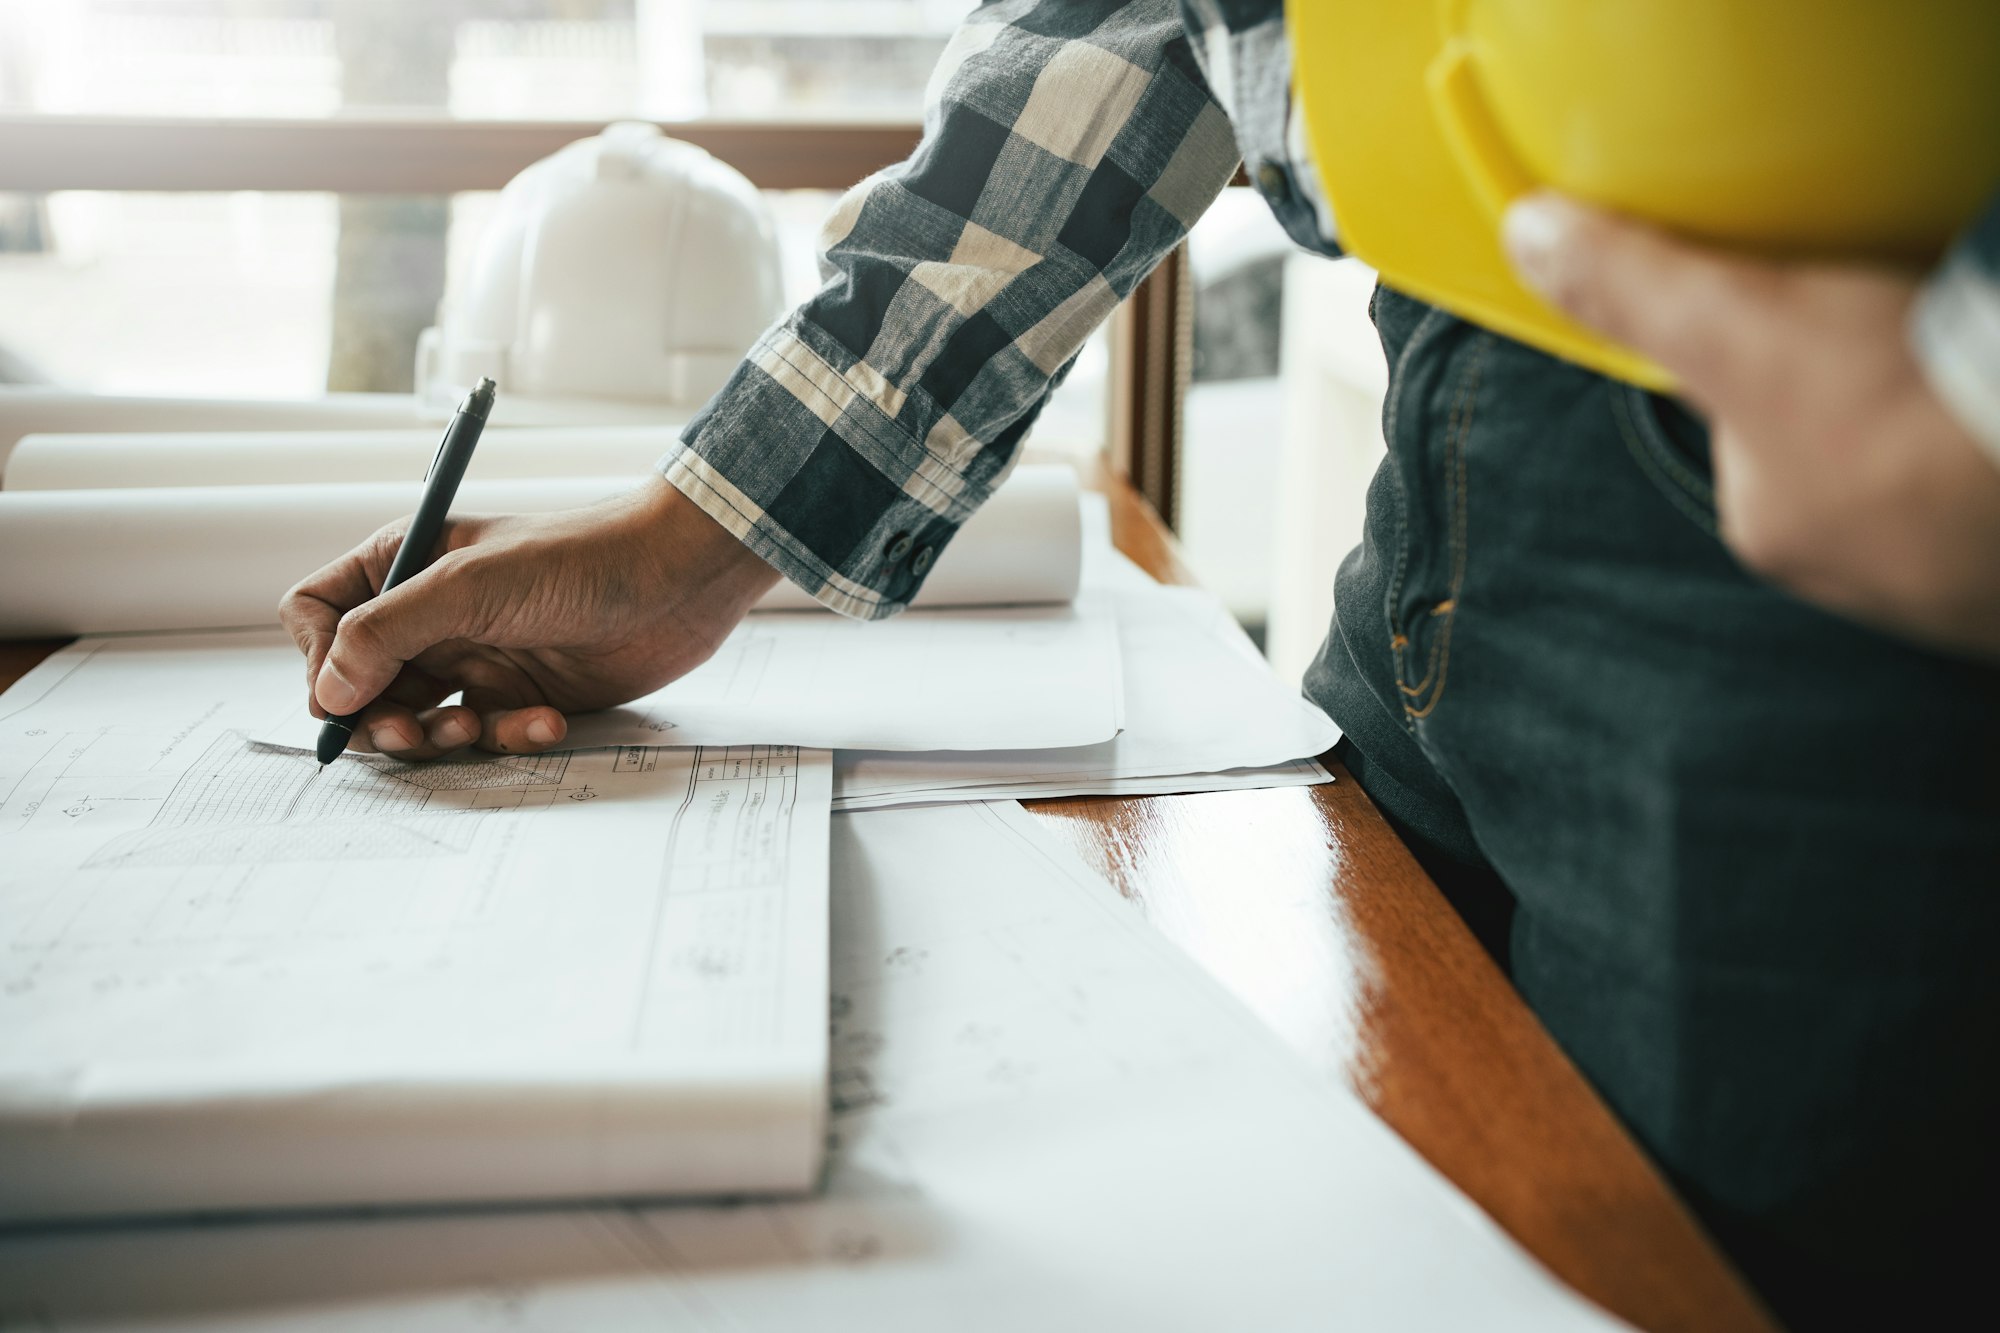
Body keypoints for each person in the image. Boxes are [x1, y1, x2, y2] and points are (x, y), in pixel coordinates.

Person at [282, 3, 2000, 1324]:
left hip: (1837, 483)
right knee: (1373, 1235)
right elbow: (1116, 37)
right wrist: (692, 543)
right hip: (1453, 440)